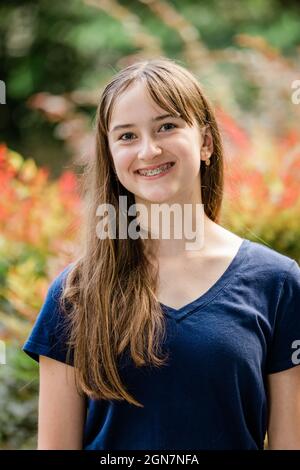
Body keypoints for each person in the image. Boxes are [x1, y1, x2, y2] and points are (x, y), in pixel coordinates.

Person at [22, 57, 300, 450]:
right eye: (127, 136)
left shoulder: (278, 282)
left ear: (205, 142)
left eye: (166, 126)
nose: (149, 150)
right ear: (111, 155)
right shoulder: (74, 293)